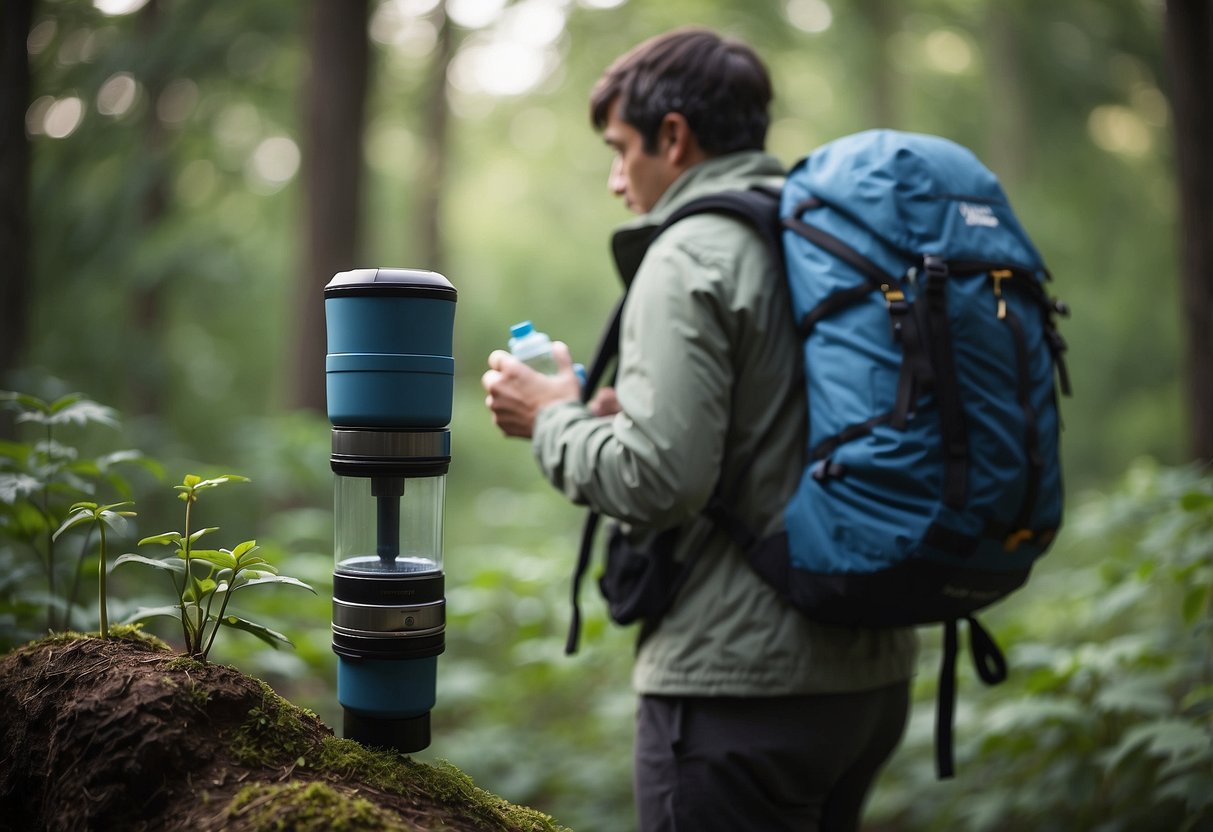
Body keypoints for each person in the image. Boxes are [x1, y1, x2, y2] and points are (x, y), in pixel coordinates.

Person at [481, 27, 918, 832]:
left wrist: (550, 419)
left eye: (620, 150)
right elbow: (772, 430)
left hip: (738, 693)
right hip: (869, 676)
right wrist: (608, 417)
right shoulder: (823, 237)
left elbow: (658, 481)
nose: (616, 181)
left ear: (673, 136)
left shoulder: (689, 253)